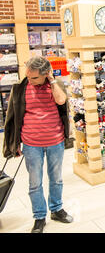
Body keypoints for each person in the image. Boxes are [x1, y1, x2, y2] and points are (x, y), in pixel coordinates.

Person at [2, 56, 73, 233]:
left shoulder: (55, 85)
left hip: (55, 141)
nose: (29, 79)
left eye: (34, 77)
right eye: (27, 75)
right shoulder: (20, 88)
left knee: (56, 179)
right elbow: (12, 118)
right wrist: (14, 143)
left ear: (46, 74)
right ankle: (39, 216)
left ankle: (56, 209)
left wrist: (52, 81)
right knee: (35, 182)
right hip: (31, 143)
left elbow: (61, 101)